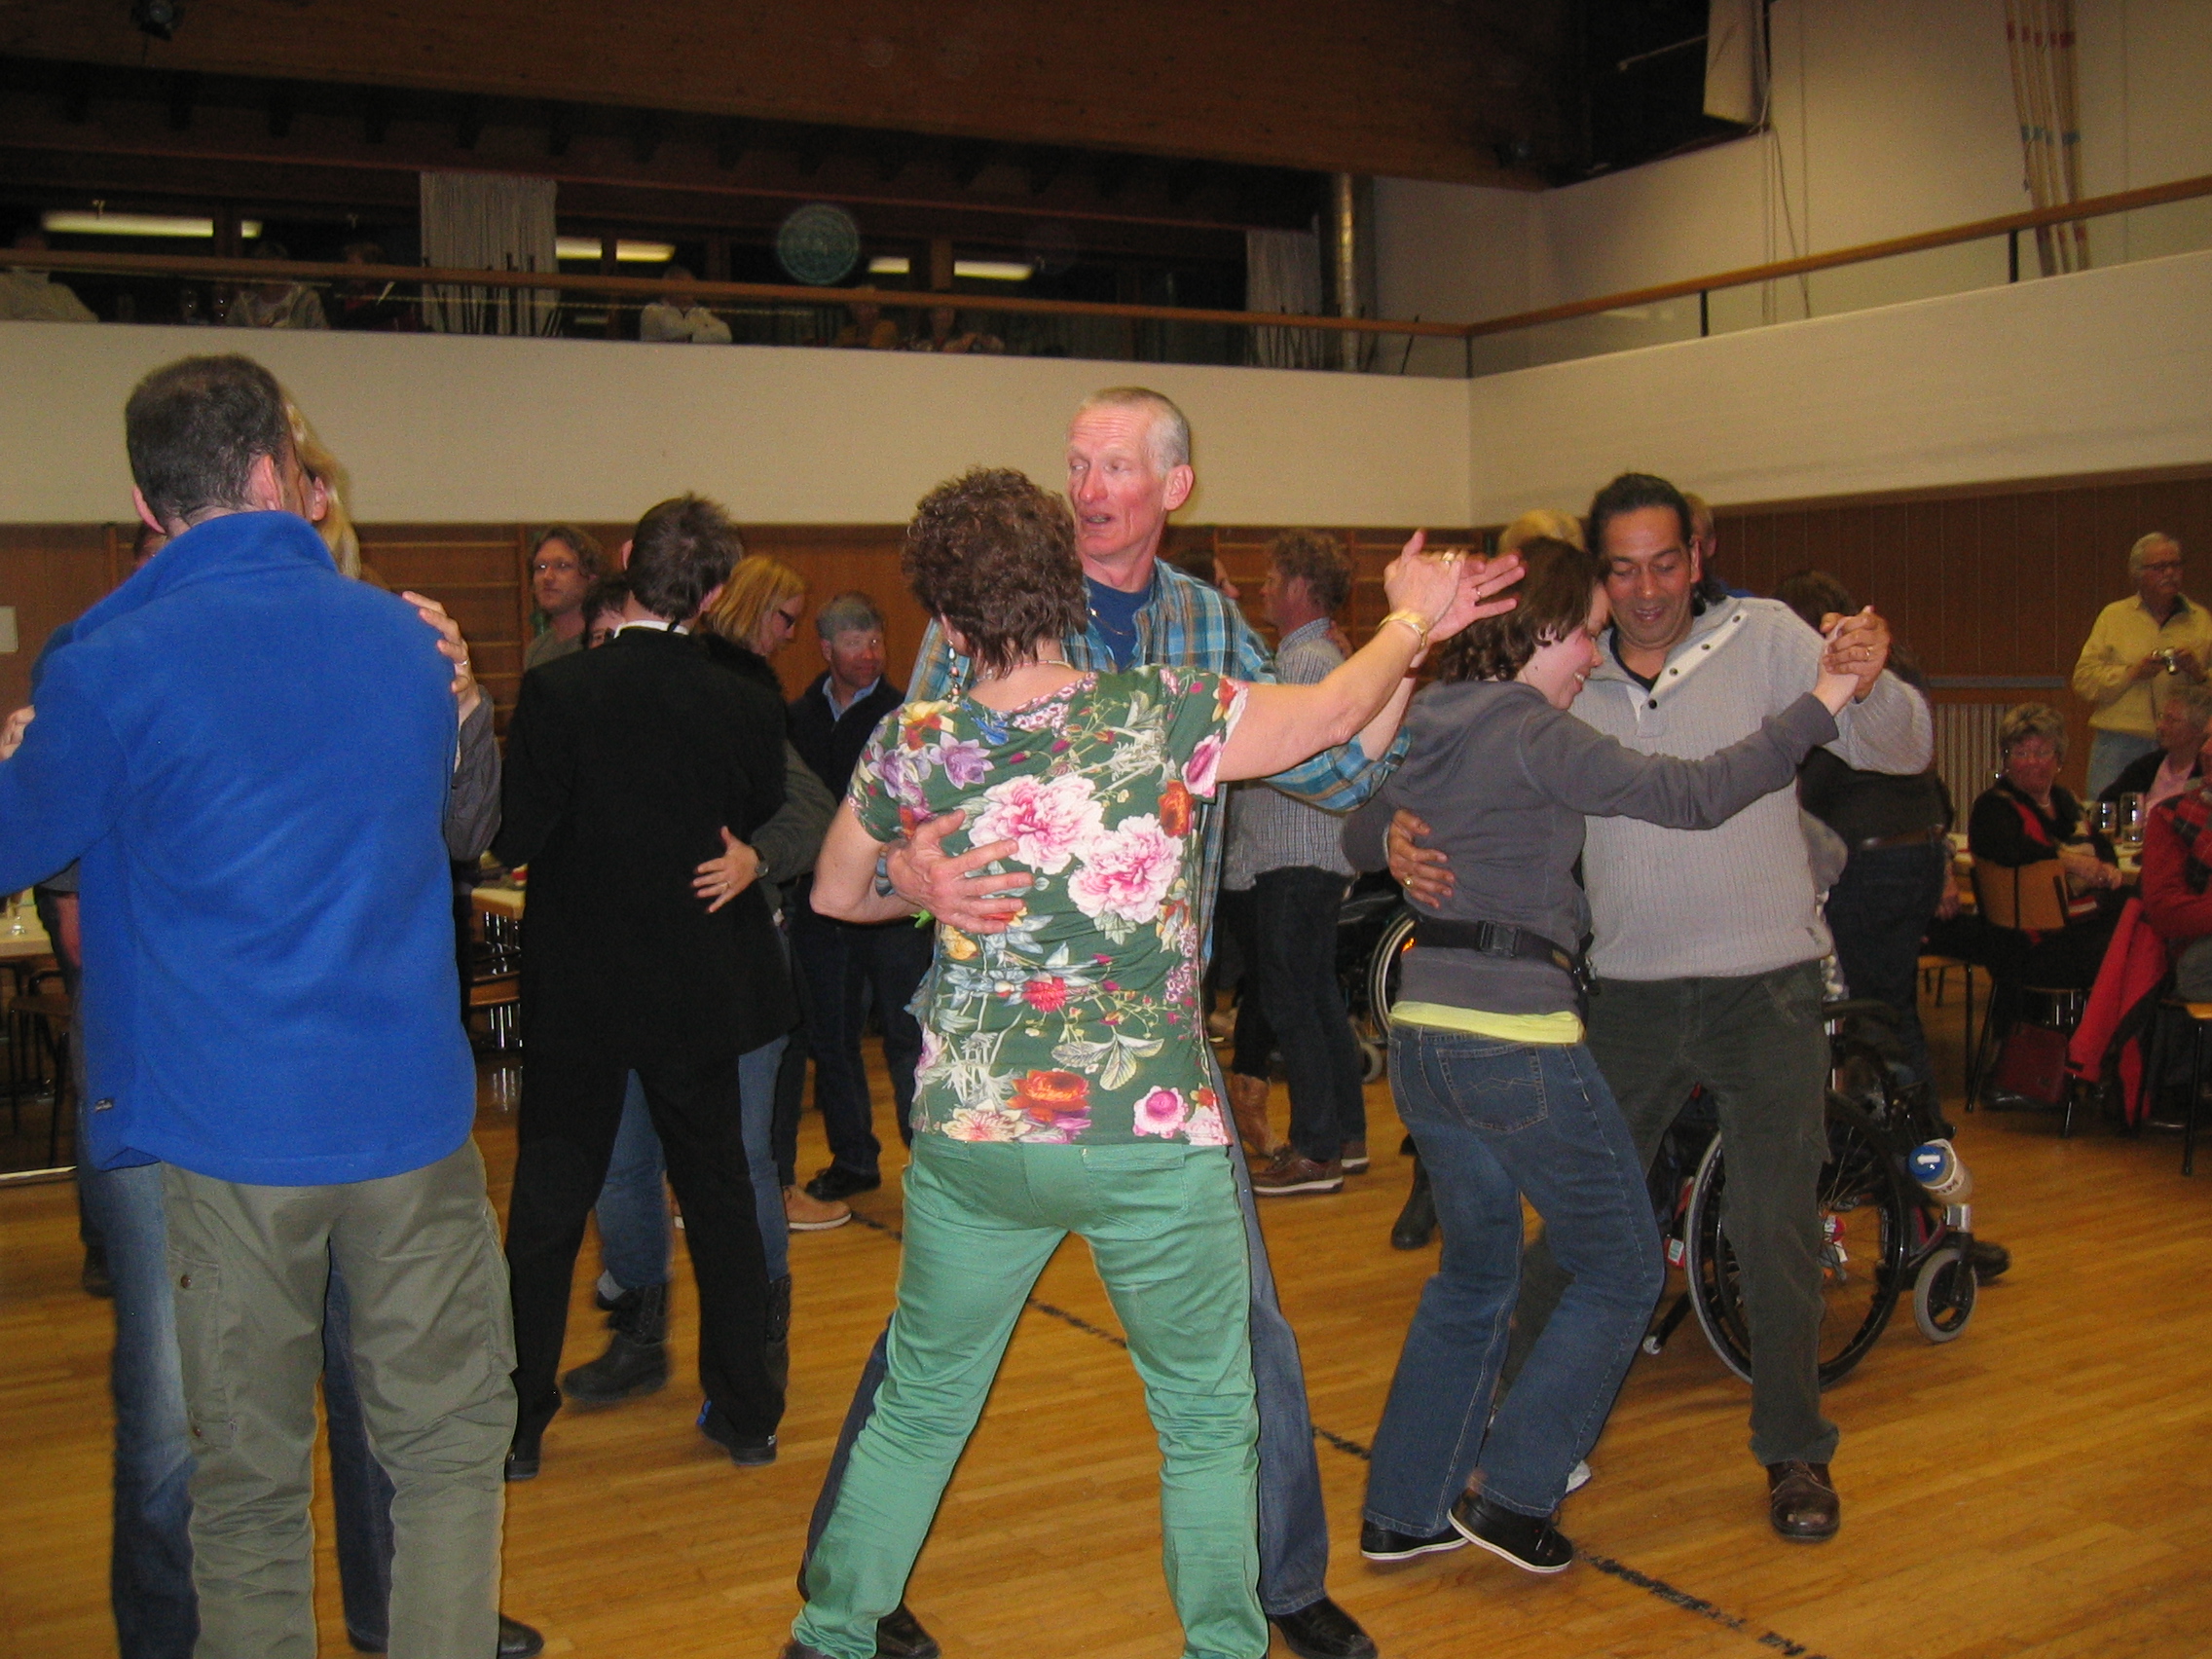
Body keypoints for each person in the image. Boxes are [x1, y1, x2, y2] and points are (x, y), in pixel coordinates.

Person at [810, 385, 1524, 1659]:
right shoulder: (1159, 712)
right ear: (1056, 577)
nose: (1091, 489)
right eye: (1074, 470)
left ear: (949, 616)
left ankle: (830, 1630)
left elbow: (830, 891)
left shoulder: (916, 735)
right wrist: (1411, 616)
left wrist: (905, 883)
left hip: (976, 1125)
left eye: (1113, 466)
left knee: (924, 1399)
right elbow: (1323, 715)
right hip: (1143, 1122)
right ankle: (1224, 1641)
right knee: (1202, 1415)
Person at [0, 352, 512, 1655]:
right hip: (410, 1125)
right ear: (283, 473)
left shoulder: (107, 663)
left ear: (145, 501)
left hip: (229, 1137)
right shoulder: (407, 641)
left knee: (246, 1488)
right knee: (446, 1454)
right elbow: (445, 823)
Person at [1389, 470, 1929, 1544]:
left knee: (1773, 1226)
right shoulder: (1568, 670)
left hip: (1766, 986)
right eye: (1623, 570)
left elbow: (1901, 748)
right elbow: (1447, 774)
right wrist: (1395, 837)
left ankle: (1793, 1449)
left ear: (1699, 553)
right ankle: (1495, 1416)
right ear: (1597, 577)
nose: (1645, 591)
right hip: (1629, 989)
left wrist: (1867, 681)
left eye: (1665, 564)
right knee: (1581, 1230)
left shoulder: (1768, 638)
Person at [495, 495, 795, 1478]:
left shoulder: (560, 691)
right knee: (717, 1196)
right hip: (697, 984)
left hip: (581, 988)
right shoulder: (745, 696)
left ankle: (518, 1423)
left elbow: (517, 832)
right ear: (713, 594)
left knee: (549, 1208)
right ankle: (746, 1413)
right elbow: (755, 807)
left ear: (626, 559)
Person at [561, 559, 842, 1409]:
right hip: (623, 973)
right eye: (602, 641)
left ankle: (757, 1342)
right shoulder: (579, 718)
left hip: (731, 971)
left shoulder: (726, 704)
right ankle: (639, 1331)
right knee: (621, 1164)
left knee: (742, 1161)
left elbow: (811, 811)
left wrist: (757, 857)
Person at [1225, 531, 1370, 1196]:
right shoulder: (1307, 657)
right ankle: (1346, 1136)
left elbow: (1285, 752)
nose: (1262, 589)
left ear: (1301, 588)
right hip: (1305, 857)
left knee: (1292, 1004)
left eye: (1272, 578)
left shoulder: (1307, 662)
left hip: (1296, 857)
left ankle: (1315, 1151)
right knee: (1315, 1000)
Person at [1773, 570, 1952, 1088]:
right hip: (1919, 848)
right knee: (1894, 1004)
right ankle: (1914, 1122)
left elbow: (1816, 779)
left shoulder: (1828, 672)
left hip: (1866, 859)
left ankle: (1909, 1125)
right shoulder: (1895, 663)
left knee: (1874, 1014)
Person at [787, 592, 933, 1202]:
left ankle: (926, 1160)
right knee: (832, 1037)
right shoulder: (798, 718)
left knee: (908, 1037)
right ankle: (853, 1158)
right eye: (854, 644)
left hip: (895, 903)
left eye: (876, 641)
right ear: (826, 649)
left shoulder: (906, 715)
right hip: (822, 905)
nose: (869, 654)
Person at [1967, 702, 2123, 994]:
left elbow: (2102, 847)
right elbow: (2011, 849)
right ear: (2006, 760)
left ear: (2059, 759)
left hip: (2077, 928)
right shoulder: (1993, 807)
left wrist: (2108, 868)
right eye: (2020, 753)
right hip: (2032, 945)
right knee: (2137, 946)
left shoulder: (2066, 801)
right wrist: (2069, 862)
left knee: (2142, 917)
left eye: (2041, 753)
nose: (2031, 762)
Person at [2072, 533, 2211, 799]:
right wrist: (2132, 673)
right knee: (2108, 811)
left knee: (2177, 816)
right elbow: (2084, 681)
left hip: (2182, 745)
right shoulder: (2114, 616)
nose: (2169, 573)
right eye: (2159, 567)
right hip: (2120, 740)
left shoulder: (2201, 620)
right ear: (2137, 574)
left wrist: (2198, 672)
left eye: (2175, 565)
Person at [2098, 681, 2212, 812]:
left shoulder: (2205, 774)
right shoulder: (2148, 766)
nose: (2160, 726)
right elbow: (2106, 805)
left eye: (2172, 720)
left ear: (2198, 729)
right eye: (2162, 717)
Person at [522, 526, 606, 670]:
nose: (547, 577)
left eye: (562, 566)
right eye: (541, 567)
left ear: (591, 577)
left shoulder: (602, 643)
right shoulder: (536, 651)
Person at [222, 240, 329, 329]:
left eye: (279, 269)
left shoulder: (307, 299)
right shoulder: (243, 303)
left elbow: (321, 334)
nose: (276, 275)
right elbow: (230, 336)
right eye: (269, 271)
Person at [0, 227, 97, 322]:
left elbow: (89, 323)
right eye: (27, 248)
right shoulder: (5, 284)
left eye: (39, 249)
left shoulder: (61, 293)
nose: (34, 255)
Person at [639, 268, 733, 343]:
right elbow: (672, 333)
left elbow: (725, 334)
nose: (691, 290)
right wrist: (702, 330)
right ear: (670, 287)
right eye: (686, 286)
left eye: (692, 286)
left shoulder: (700, 312)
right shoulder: (653, 310)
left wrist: (692, 338)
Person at [834, 300, 903, 350]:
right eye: (866, 307)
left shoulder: (886, 327)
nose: (873, 311)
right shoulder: (847, 333)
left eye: (875, 306)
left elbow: (872, 352)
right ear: (854, 312)